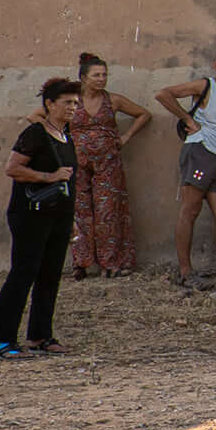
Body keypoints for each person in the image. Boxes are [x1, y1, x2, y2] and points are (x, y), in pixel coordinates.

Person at [0, 75, 77, 358]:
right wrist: (48, 177)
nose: (73, 107)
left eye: (76, 102)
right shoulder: (36, 133)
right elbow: (13, 168)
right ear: (49, 104)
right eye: (67, 102)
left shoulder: (66, 135)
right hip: (31, 214)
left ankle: (40, 336)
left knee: (50, 275)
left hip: (58, 216)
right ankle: (1, 340)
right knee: (23, 274)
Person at [156, 47, 216, 291]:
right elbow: (163, 94)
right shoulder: (204, 86)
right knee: (191, 209)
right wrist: (188, 120)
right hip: (201, 152)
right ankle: (186, 272)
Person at [64, 53, 151, 278]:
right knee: (81, 210)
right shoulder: (71, 100)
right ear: (83, 78)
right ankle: (81, 263)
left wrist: (125, 137)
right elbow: (43, 118)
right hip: (77, 163)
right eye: (96, 75)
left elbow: (144, 114)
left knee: (108, 211)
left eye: (104, 75)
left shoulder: (114, 100)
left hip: (108, 164)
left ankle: (110, 263)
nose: (102, 79)